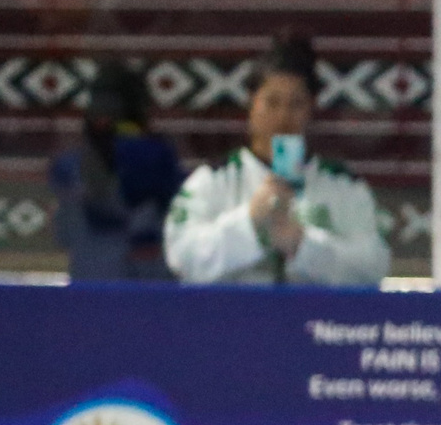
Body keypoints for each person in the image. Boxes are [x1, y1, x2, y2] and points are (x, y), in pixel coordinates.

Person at [164, 30, 387, 286]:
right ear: (252, 105)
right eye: (272, 102)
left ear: (311, 109)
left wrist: (303, 245)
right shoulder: (213, 180)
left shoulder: (344, 186)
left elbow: (373, 268)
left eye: (296, 104)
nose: (283, 117)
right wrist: (249, 221)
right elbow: (181, 258)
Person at [49, 62, 181, 281]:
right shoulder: (157, 157)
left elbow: (63, 235)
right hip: (147, 282)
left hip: (89, 281)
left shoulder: (67, 167)